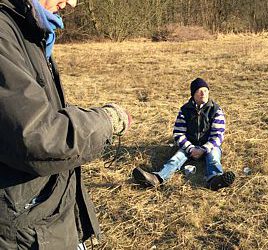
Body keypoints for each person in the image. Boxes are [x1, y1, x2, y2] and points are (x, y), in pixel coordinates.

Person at [0, 0, 131, 248]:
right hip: (24, 230)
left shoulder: (29, 30)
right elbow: (38, 135)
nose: (71, 3)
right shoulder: (5, 33)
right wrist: (107, 121)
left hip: (43, 216)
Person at [133, 78, 235, 191]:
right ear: (193, 94)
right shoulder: (185, 110)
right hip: (189, 146)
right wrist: (190, 148)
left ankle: (215, 180)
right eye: (199, 91)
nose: (203, 93)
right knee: (175, 159)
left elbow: (218, 136)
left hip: (209, 146)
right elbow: (178, 133)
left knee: (214, 158)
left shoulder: (216, 110)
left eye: (205, 90)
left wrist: (203, 149)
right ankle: (157, 178)